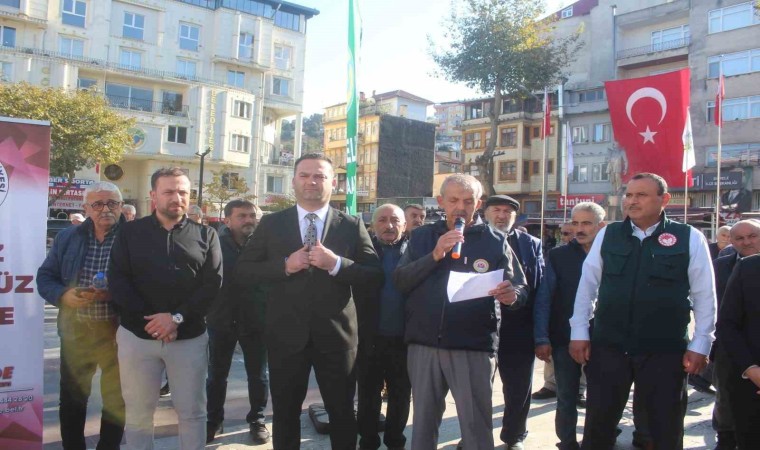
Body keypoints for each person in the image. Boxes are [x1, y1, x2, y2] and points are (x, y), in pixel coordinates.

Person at [235, 153, 382, 450]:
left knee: (342, 413)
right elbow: (244, 271)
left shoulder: (351, 225)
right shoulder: (272, 223)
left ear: (333, 182)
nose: (311, 182)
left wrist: (336, 264)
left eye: (319, 176)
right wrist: (285, 265)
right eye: (304, 175)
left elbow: (374, 276)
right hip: (286, 336)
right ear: (293, 181)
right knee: (285, 414)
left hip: (337, 338)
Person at [570, 172, 716, 450]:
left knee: (664, 427)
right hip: (610, 345)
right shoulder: (609, 234)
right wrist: (579, 331)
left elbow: (704, 295)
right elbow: (587, 285)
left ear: (664, 199)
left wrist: (701, 343)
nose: (632, 201)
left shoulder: (688, 237)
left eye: (641, 195)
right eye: (629, 195)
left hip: (664, 349)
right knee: (599, 425)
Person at [393, 174, 528, 450]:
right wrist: (434, 255)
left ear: (478, 204)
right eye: (453, 200)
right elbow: (401, 280)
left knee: (476, 428)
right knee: (423, 426)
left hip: (473, 347)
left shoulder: (495, 240)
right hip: (424, 345)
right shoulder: (421, 237)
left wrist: (512, 295)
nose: (460, 207)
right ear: (441, 201)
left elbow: (519, 286)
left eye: (468, 201)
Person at [109, 167, 222, 450]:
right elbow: (118, 281)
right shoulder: (129, 233)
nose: (177, 198)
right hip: (137, 338)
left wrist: (176, 318)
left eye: (183, 192)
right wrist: (155, 323)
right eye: (169, 191)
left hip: (188, 338)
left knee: (192, 412)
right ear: (153, 195)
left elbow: (212, 285)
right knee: (138, 414)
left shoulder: (206, 234)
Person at [37, 181, 126, 450]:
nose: (105, 209)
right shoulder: (68, 237)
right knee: (73, 398)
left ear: (121, 206)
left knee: (116, 397)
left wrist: (114, 294)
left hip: (119, 331)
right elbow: (45, 277)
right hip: (77, 330)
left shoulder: (134, 238)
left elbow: (148, 284)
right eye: (97, 204)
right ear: (86, 208)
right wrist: (63, 296)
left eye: (112, 203)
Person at [534, 202, 606, 450]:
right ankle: (566, 442)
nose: (579, 229)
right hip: (564, 338)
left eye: (586, 223)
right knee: (566, 397)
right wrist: (541, 338)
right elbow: (544, 298)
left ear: (601, 226)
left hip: (605, 339)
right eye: (575, 223)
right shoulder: (558, 256)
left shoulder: (613, 255)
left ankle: (598, 439)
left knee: (603, 396)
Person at [205, 200, 270, 444]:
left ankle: (257, 419)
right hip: (221, 319)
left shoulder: (264, 244)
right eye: (242, 216)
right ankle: (213, 420)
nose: (248, 220)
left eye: (252, 215)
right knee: (217, 375)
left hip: (256, 320)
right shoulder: (214, 243)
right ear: (227, 220)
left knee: (258, 375)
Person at [482, 194, 544, 449]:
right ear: (485, 213)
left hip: (519, 327)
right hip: (480, 327)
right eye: (496, 210)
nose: (501, 216)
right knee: (477, 388)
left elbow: (539, 287)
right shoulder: (474, 239)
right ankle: (474, 435)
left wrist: (541, 334)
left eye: (508, 212)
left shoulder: (531, 244)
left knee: (518, 388)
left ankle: (514, 436)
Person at [356, 203, 411, 450]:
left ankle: (395, 441)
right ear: (372, 225)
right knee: (368, 394)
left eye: (395, 220)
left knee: (401, 394)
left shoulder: (416, 252)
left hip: (404, 339)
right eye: (382, 220)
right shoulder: (362, 253)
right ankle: (368, 442)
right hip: (369, 338)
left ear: (405, 225)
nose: (389, 225)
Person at [711, 220, 760, 449]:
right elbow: (726, 322)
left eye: (753, 236)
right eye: (740, 238)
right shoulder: (744, 268)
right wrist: (752, 370)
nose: (747, 242)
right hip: (742, 360)